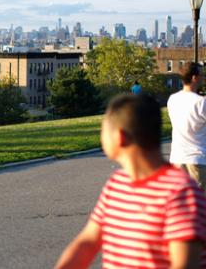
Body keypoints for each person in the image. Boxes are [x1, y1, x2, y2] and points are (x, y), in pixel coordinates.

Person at [55, 94, 206, 269]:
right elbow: (87, 243)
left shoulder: (180, 192)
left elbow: (185, 264)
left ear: (120, 137)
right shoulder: (116, 184)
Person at [167, 62, 206, 190]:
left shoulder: (172, 99)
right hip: (197, 158)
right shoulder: (201, 103)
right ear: (194, 78)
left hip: (177, 157)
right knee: (199, 204)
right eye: (202, 75)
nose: (203, 77)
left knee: (180, 204)